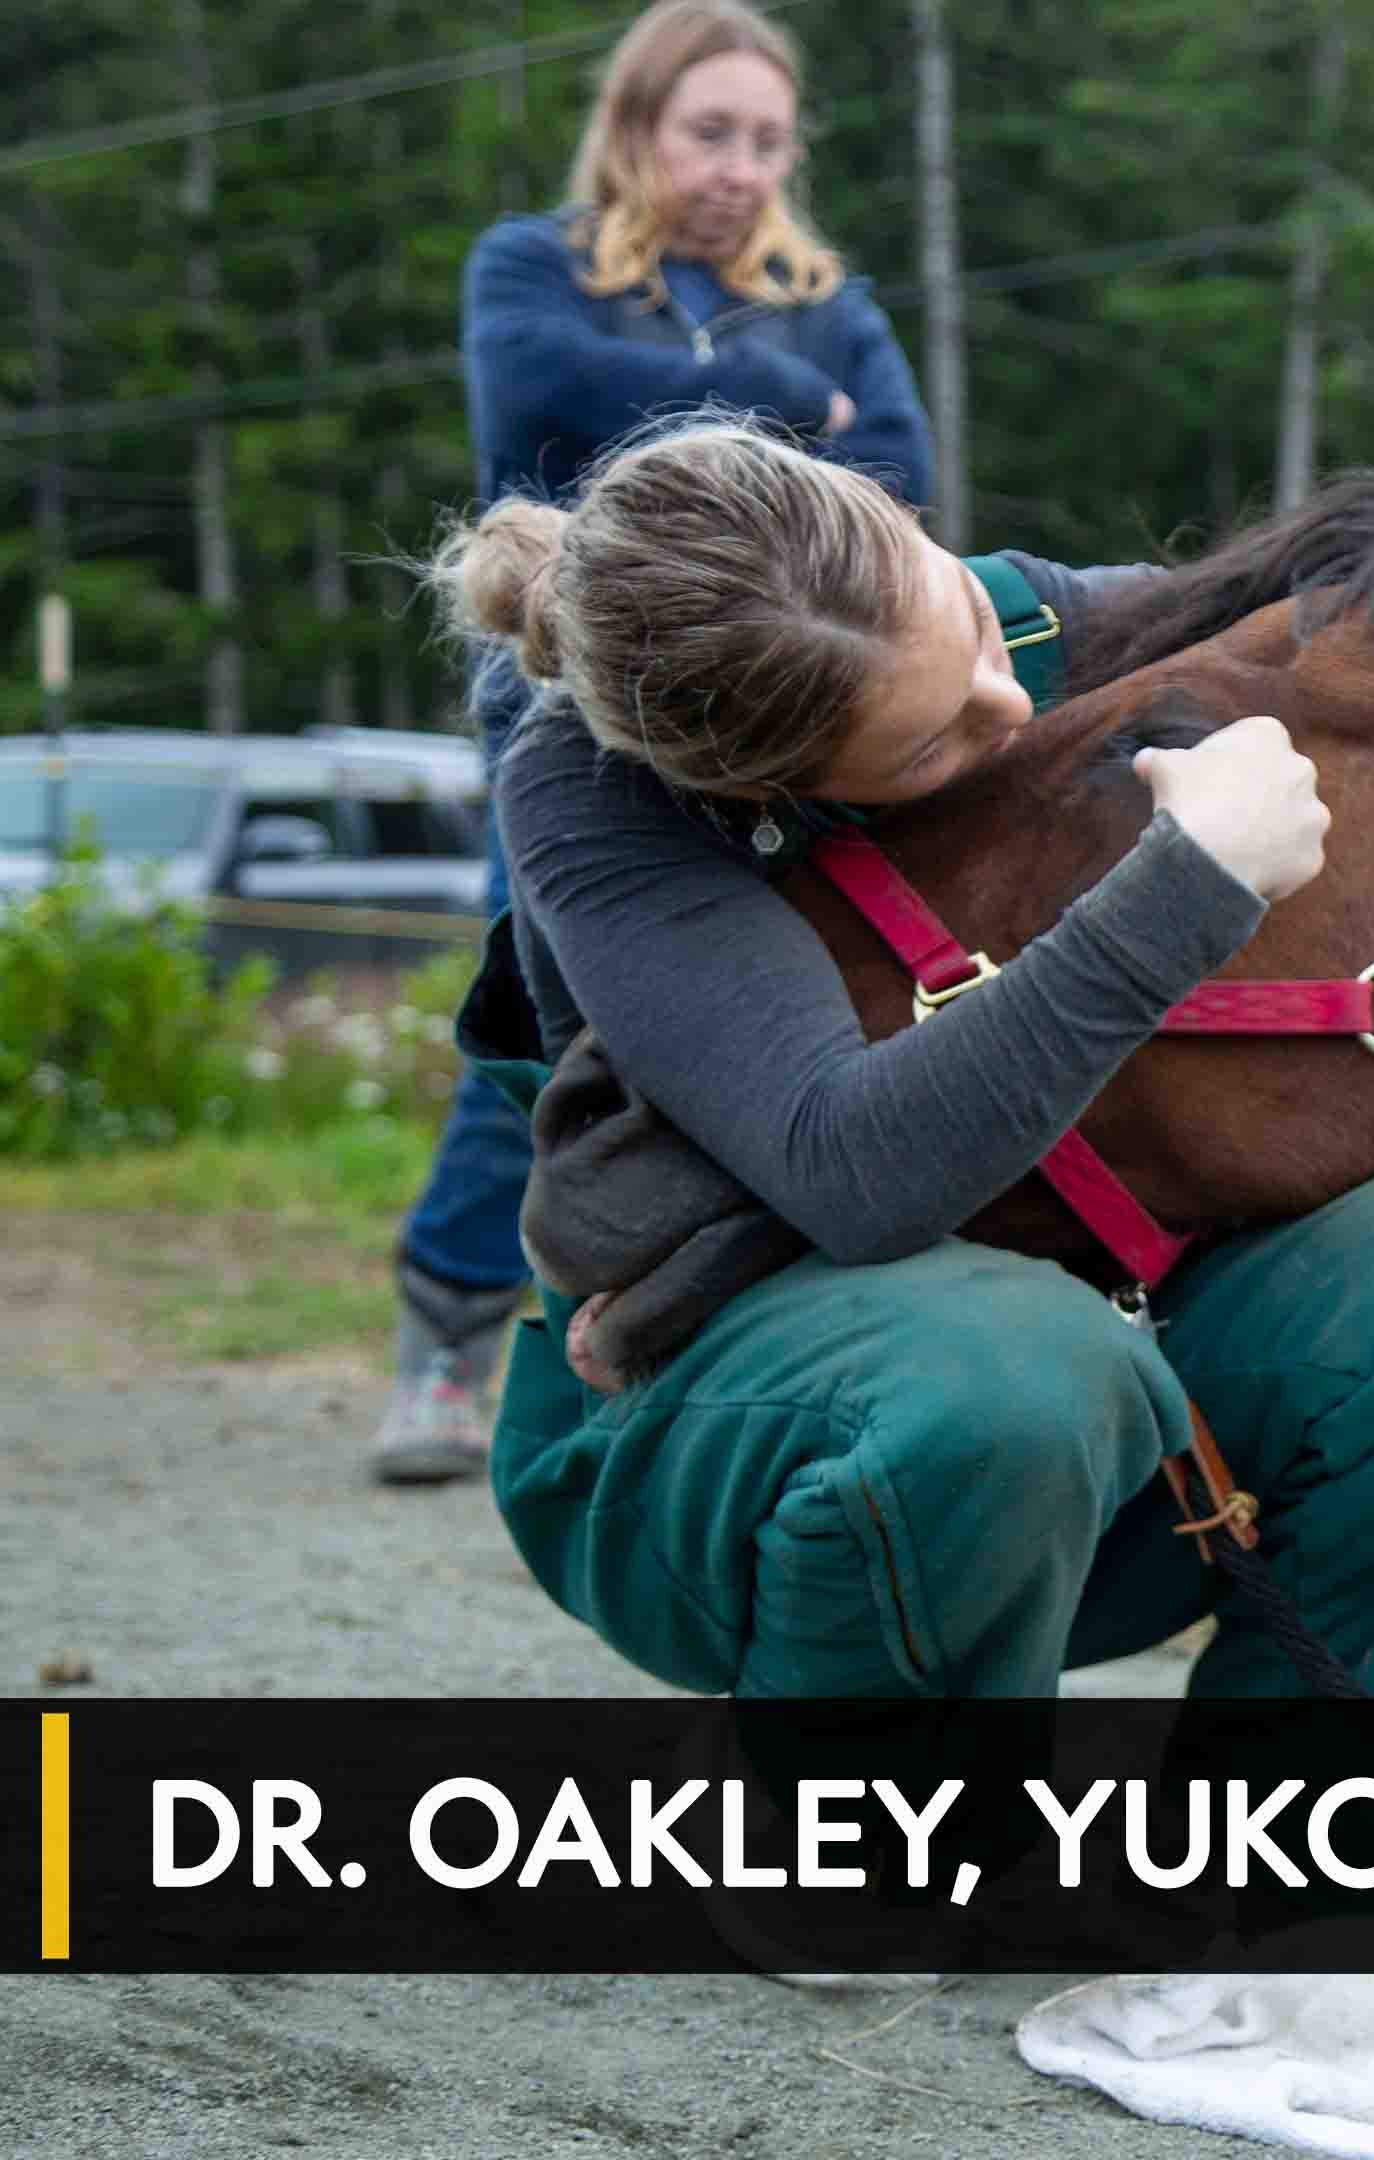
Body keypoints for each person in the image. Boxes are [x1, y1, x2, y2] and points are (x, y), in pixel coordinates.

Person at [425, 416, 1374, 1703]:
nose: (1005, 701)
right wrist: (1189, 886)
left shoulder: (1017, 617)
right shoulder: (596, 798)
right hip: (727, 1460)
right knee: (1026, 1366)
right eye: (928, 750)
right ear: (750, 780)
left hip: (1093, 1406)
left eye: (962, 625)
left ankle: (1304, 1831)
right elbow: (855, 1167)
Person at [374, 0, 934, 1485]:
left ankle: (714, 1336)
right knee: (561, 1027)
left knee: (796, 1015)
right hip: (563, 715)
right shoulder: (531, 268)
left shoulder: (829, 298)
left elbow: (904, 470)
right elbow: (539, 397)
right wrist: (780, 410)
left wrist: (760, 412)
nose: (741, 167)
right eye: (709, 133)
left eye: (766, 139)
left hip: (777, 709)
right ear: (634, 129)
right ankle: (450, 1324)